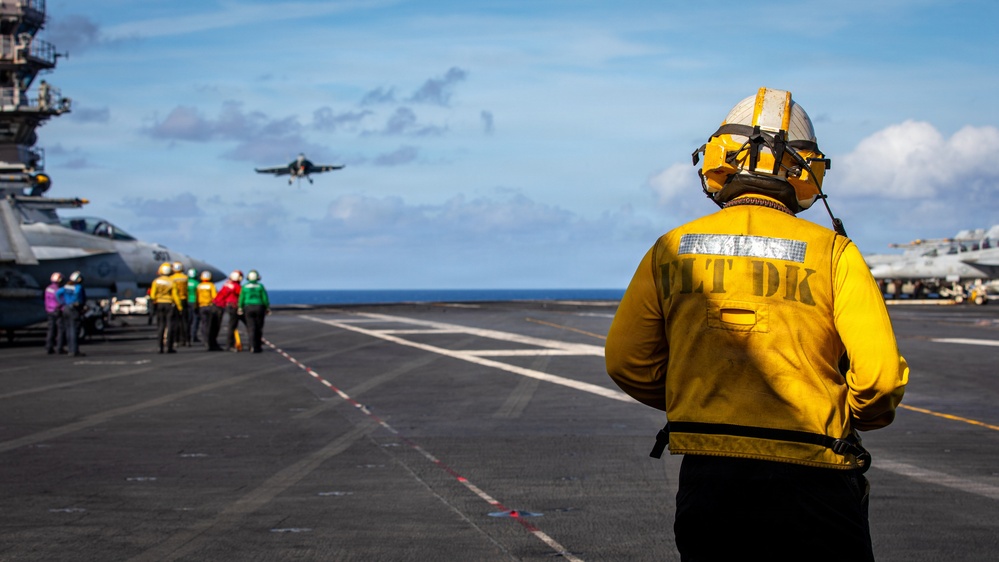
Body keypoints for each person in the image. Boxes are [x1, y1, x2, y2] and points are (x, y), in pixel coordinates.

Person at [604, 87, 909, 561]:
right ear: (807, 169)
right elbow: (880, 379)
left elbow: (627, 361)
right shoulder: (833, 253)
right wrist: (858, 418)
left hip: (710, 481)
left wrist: (702, 399)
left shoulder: (671, 249)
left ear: (718, 159)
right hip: (818, 479)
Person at [150, 263, 181, 353]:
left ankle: (160, 347)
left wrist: (155, 302)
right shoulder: (171, 282)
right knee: (170, 326)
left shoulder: (156, 281)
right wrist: (180, 307)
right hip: (169, 305)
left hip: (160, 304)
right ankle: (169, 347)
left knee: (160, 326)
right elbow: (175, 296)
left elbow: (152, 295)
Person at [238, 270, 270, 353]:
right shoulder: (260, 286)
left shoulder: (244, 287)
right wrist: (267, 307)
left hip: (248, 307)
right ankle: (258, 346)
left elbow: (241, 298)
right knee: (259, 328)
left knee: (251, 327)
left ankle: (251, 346)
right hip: (259, 307)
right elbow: (264, 298)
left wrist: (240, 307)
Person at [56, 271, 87, 357]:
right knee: (74, 330)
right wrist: (76, 302)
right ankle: (74, 350)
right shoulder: (78, 287)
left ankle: (70, 349)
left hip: (66, 308)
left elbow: (57, 293)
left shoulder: (66, 286)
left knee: (69, 330)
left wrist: (62, 302)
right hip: (73, 309)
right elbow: (79, 295)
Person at [213, 270, 242, 351]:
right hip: (233, 306)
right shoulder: (236, 286)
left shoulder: (226, 284)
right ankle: (230, 344)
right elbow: (241, 295)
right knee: (232, 326)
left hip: (221, 306)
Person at [196, 270, 222, 351]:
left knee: (204, 324)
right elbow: (215, 296)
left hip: (201, 306)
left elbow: (197, 296)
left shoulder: (199, 286)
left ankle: (205, 339)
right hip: (209, 307)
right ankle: (209, 340)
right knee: (210, 325)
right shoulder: (211, 285)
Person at [44, 272, 66, 354]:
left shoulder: (48, 288)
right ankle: (59, 347)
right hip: (57, 311)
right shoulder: (59, 290)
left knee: (51, 330)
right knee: (60, 330)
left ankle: (49, 347)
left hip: (49, 311)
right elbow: (61, 301)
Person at [169, 262, 190, 347]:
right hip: (184, 300)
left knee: (175, 322)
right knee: (185, 322)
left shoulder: (171, 278)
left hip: (174, 301)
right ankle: (186, 340)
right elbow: (188, 290)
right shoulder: (185, 278)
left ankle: (176, 340)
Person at [186, 268, 200, 343]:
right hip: (195, 302)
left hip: (187, 302)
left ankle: (187, 336)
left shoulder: (186, 282)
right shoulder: (197, 283)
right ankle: (193, 336)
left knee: (188, 320)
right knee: (195, 320)